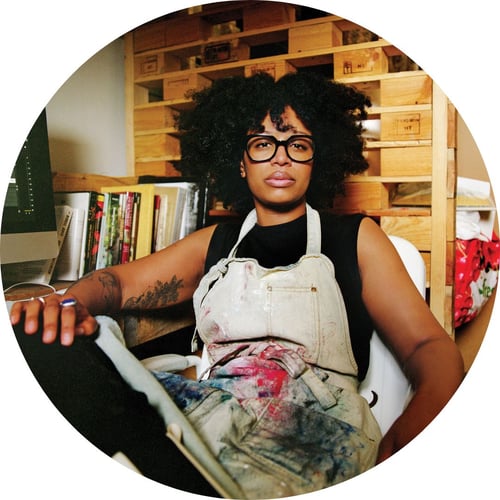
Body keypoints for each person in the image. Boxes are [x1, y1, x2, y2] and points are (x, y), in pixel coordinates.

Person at [9, 71, 464, 498]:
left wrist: (411, 434)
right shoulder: (216, 242)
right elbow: (113, 285)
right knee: (41, 343)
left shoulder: (356, 238)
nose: (282, 156)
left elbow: (429, 347)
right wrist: (63, 307)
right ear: (241, 163)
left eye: (298, 144)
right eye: (263, 143)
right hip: (206, 415)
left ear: (315, 160)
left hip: (309, 436)